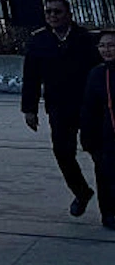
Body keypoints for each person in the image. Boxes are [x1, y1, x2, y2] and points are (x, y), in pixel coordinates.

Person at [21, 0, 100, 216]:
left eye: (58, 12)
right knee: (63, 153)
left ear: (69, 14)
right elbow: (31, 77)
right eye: (49, 12)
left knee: (99, 154)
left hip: (88, 107)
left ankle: (110, 208)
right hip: (59, 107)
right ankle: (81, 191)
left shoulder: (85, 39)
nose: (53, 16)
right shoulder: (39, 41)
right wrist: (30, 109)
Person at [79, 28, 115, 230]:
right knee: (105, 176)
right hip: (105, 138)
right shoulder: (97, 74)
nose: (106, 50)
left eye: (111, 45)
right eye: (102, 45)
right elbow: (89, 109)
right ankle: (109, 214)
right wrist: (88, 139)